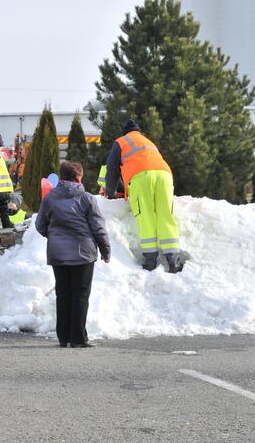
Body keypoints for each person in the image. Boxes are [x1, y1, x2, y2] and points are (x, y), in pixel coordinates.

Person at [36, 161, 110, 348]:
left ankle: (63, 337)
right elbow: (98, 228)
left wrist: (54, 237)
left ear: (61, 176)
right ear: (79, 177)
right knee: (80, 295)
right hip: (83, 253)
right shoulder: (86, 198)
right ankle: (78, 338)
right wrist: (105, 250)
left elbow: (40, 225)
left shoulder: (50, 198)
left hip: (58, 253)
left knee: (63, 294)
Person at [106, 119, 183, 273]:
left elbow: (112, 170)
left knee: (145, 216)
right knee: (165, 215)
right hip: (165, 175)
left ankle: (150, 261)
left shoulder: (121, 142)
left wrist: (111, 193)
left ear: (124, 132)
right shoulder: (147, 142)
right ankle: (174, 261)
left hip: (141, 178)